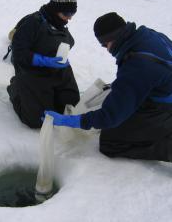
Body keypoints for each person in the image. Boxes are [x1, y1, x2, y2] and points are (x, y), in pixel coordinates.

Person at [46, 12, 172, 162]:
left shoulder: (137, 64)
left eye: (105, 44)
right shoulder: (146, 36)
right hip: (160, 90)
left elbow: (111, 116)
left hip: (163, 106)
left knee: (110, 142)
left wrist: (70, 121)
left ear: (114, 37)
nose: (106, 49)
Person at [7, 0, 80, 129]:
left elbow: (69, 41)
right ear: (55, 9)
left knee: (71, 107)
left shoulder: (59, 23)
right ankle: (15, 88)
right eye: (67, 14)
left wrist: (62, 58)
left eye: (72, 14)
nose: (69, 18)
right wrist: (43, 60)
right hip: (33, 72)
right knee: (37, 120)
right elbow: (18, 53)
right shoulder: (32, 23)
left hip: (57, 70)